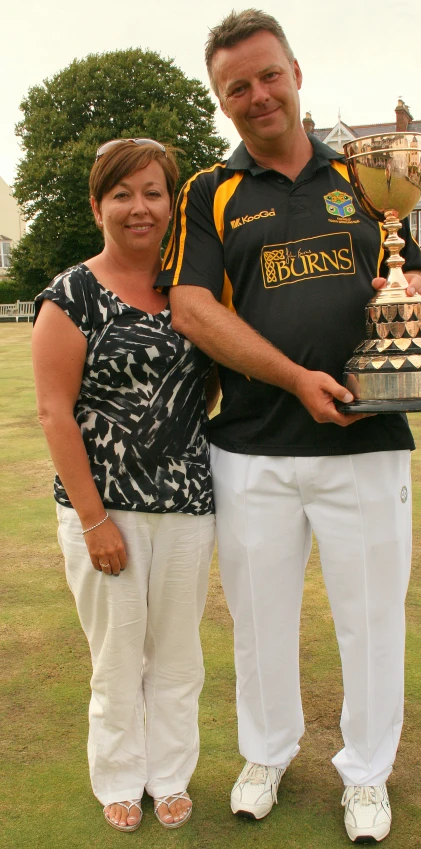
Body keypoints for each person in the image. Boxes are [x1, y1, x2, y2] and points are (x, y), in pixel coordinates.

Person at [161, 10, 421, 844]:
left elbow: (410, 281)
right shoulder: (210, 189)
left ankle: (365, 773)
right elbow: (190, 306)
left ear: (295, 72)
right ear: (222, 99)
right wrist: (289, 377)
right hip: (251, 447)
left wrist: (417, 307)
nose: (256, 95)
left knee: (370, 618)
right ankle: (266, 751)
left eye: (266, 74)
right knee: (259, 617)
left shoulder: (363, 174)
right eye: (235, 86)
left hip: (366, 440)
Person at [32, 139, 217, 833]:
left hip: (188, 504)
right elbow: (54, 410)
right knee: (116, 655)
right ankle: (117, 775)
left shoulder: (193, 289)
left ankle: (169, 774)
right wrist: (92, 519)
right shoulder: (71, 293)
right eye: (122, 193)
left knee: (177, 653)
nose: (139, 207)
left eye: (152, 192)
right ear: (97, 204)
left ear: (171, 203)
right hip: (103, 507)